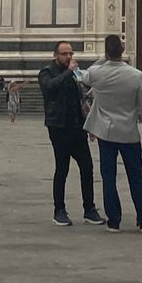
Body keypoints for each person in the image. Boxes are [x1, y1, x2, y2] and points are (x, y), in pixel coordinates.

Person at [79, 34, 142, 233]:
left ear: (106, 52)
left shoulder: (96, 74)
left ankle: (114, 221)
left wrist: (104, 58)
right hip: (129, 133)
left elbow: (83, 74)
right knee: (136, 177)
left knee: (108, 177)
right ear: (122, 51)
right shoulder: (136, 75)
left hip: (106, 133)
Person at [38, 40, 104, 228]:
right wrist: (68, 72)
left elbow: (80, 100)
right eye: (64, 54)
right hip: (58, 128)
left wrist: (89, 125)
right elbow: (50, 88)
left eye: (70, 54)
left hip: (76, 127)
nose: (68, 57)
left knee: (87, 167)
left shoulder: (74, 75)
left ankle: (89, 209)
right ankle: (59, 210)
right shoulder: (46, 73)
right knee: (62, 168)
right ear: (55, 55)